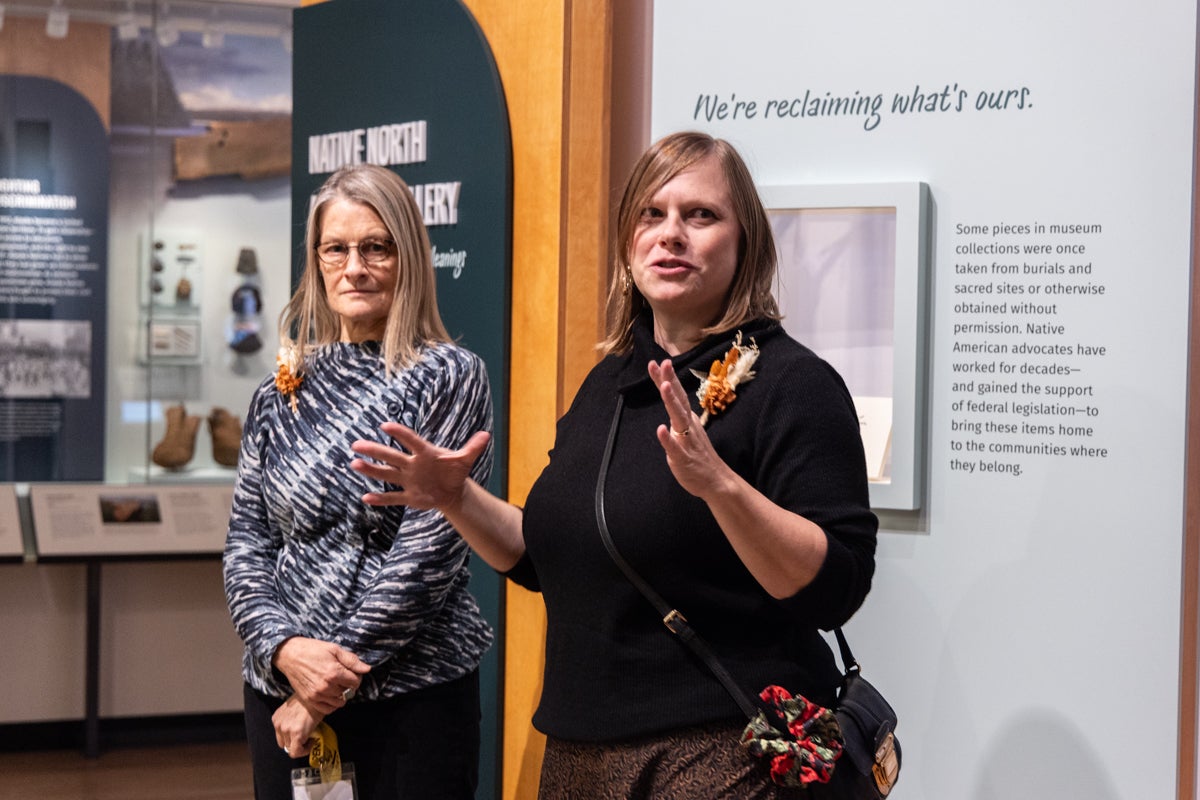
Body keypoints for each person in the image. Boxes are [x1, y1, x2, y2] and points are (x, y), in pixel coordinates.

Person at [349, 132, 878, 798]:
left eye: (701, 215)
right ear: (629, 242)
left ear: (745, 243)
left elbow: (837, 587)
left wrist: (721, 488)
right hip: (578, 754)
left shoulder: (794, 384)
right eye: (651, 215)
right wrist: (457, 498)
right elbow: (546, 561)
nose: (671, 234)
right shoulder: (608, 384)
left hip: (725, 752)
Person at [223, 163, 494, 800]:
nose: (355, 267)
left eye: (376, 247)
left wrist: (322, 688)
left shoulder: (449, 376)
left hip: (412, 699)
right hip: (280, 692)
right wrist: (283, 648)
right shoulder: (277, 393)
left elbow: (426, 558)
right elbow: (246, 545)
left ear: (410, 257)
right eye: (336, 250)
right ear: (316, 262)